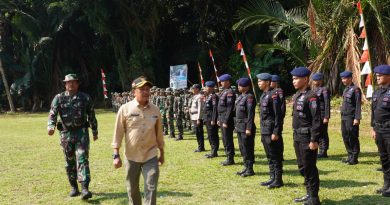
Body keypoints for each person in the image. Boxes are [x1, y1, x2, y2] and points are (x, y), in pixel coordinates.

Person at [112, 76, 164, 205]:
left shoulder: (155, 110)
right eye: (142, 89)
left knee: (151, 187)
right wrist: (116, 155)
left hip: (150, 155)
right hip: (131, 156)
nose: (146, 92)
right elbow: (118, 133)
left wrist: (162, 153)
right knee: (132, 188)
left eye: (148, 89)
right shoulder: (125, 109)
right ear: (134, 92)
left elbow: (159, 134)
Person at [47, 74, 98, 200]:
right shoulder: (58, 98)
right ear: (65, 84)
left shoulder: (85, 98)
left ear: (77, 83)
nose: (71, 84)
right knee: (69, 162)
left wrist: (95, 131)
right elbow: (52, 114)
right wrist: (50, 126)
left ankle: (85, 188)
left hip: (81, 133)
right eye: (68, 82)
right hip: (66, 134)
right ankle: (74, 187)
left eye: (73, 82)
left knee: (82, 159)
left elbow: (91, 115)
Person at [290, 67, 321, 205]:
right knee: (302, 167)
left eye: (296, 79)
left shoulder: (312, 96)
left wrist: (314, 140)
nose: (293, 81)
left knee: (310, 167)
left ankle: (314, 198)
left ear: (305, 79)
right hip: (297, 136)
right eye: (293, 79)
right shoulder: (297, 95)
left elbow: (316, 120)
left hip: (307, 137)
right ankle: (308, 193)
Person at [257, 73, 284, 188]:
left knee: (275, 155)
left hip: (271, 130)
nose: (258, 83)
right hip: (264, 129)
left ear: (267, 82)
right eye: (258, 81)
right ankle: (272, 177)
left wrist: (276, 132)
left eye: (260, 81)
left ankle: (278, 179)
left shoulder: (274, 95)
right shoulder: (263, 95)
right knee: (269, 155)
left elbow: (278, 115)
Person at [371, 65, 390, 197]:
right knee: (384, 159)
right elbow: (373, 112)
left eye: (380, 76)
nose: (377, 78)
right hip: (379, 129)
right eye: (376, 76)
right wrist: (373, 128)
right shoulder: (376, 92)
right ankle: (386, 185)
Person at [235, 77, 256, 177]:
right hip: (239, 126)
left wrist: (249, 127)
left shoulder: (249, 97)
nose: (238, 87)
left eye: (241, 85)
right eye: (238, 85)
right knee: (242, 147)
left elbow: (250, 114)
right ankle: (245, 167)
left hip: (245, 126)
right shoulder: (241, 96)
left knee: (248, 148)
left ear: (247, 87)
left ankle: (250, 169)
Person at [340, 70, 361, 165]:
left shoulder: (356, 89)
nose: (343, 80)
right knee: (345, 136)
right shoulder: (346, 89)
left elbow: (358, 105)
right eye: (342, 78)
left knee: (352, 136)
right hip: (344, 117)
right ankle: (349, 155)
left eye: (345, 78)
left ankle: (355, 157)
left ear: (349, 78)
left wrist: (357, 118)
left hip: (351, 117)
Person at [217, 74, 236, 166]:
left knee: (227, 139)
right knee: (224, 138)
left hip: (226, 119)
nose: (221, 83)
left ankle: (230, 158)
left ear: (227, 82)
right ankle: (228, 156)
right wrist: (218, 119)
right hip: (221, 118)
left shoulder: (230, 92)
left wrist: (225, 121)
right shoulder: (224, 91)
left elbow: (229, 108)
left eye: (222, 81)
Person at [311, 73, 331, 158]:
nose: (315, 82)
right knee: (317, 132)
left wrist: (326, 116)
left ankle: (323, 151)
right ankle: (319, 150)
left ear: (320, 81)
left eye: (317, 80)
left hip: (322, 114)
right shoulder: (314, 90)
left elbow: (327, 104)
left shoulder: (324, 89)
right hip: (315, 115)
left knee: (323, 133)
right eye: (314, 80)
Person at [203, 81, 219, 158]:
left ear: (211, 87)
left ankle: (214, 151)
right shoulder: (209, 96)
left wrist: (213, 119)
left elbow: (215, 109)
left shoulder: (214, 96)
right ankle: (212, 150)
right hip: (207, 118)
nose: (205, 88)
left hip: (211, 119)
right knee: (210, 135)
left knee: (213, 135)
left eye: (206, 87)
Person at [190, 84, 205, 152]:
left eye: (193, 88)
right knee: (197, 132)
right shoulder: (195, 96)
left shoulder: (200, 97)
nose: (192, 90)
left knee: (199, 132)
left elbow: (200, 108)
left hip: (197, 117)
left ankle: (201, 147)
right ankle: (199, 146)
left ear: (197, 89)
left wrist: (199, 118)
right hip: (194, 116)